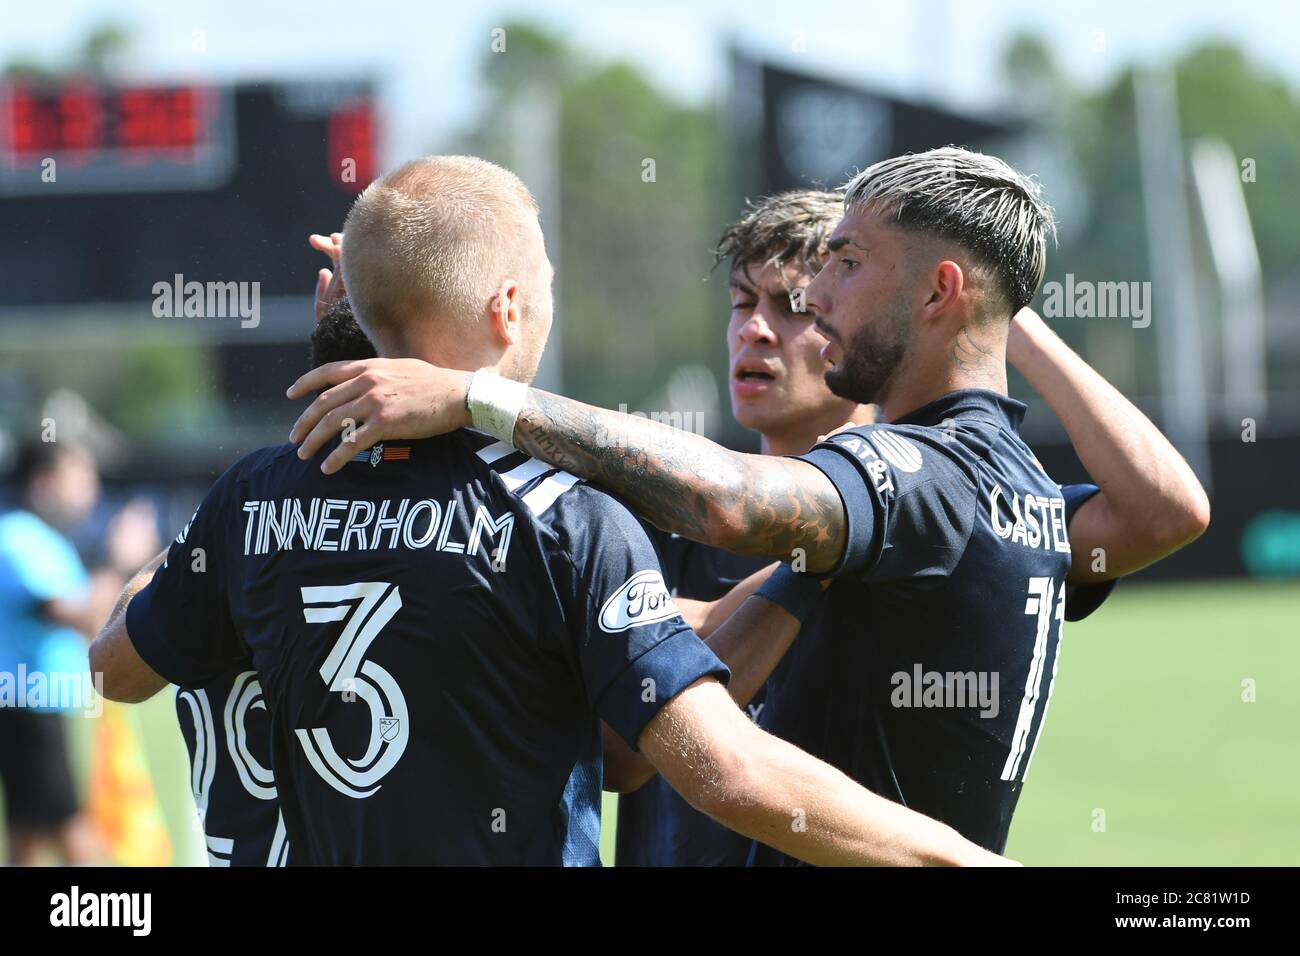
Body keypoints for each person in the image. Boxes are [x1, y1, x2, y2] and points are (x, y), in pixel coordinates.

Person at [287, 147, 1211, 854]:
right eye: (744, 301)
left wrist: (996, 306)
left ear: (937, 292)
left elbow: (1169, 510)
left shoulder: (924, 485)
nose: (788, 313)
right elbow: (618, 750)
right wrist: (365, 322)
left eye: (832, 276)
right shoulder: (665, 502)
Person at [92, 155, 1009, 866]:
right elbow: (723, 770)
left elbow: (115, 671)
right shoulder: (563, 517)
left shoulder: (251, 499)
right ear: (508, 308)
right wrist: (956, 856)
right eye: (547, 284)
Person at [0, 441, 104, 864]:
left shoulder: (42, 538)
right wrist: (125, 559)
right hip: (28, 706)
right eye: (78, 477)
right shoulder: (20, 537)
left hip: (35, 705)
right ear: (44, 483)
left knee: (28, 832)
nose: (90, 489)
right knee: (68, 827)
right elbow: (76, 614)